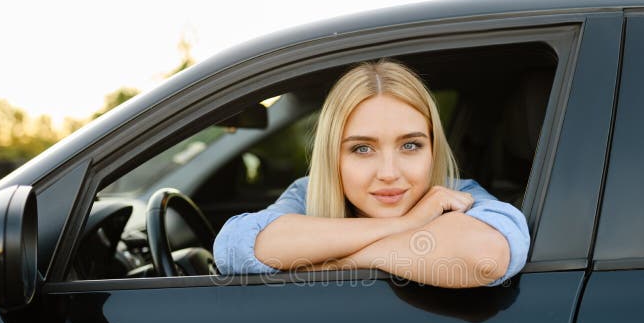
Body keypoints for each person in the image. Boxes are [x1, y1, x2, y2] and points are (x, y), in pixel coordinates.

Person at [213, 59, 529, 288]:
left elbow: (486, 255)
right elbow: (234, 246)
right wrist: (405, 224)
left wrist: (334, 264)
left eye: (410, 146)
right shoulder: (307, 194)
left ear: (433, 149)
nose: (389, 173)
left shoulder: (459, 195)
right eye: (362, 149)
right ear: (333, 157)